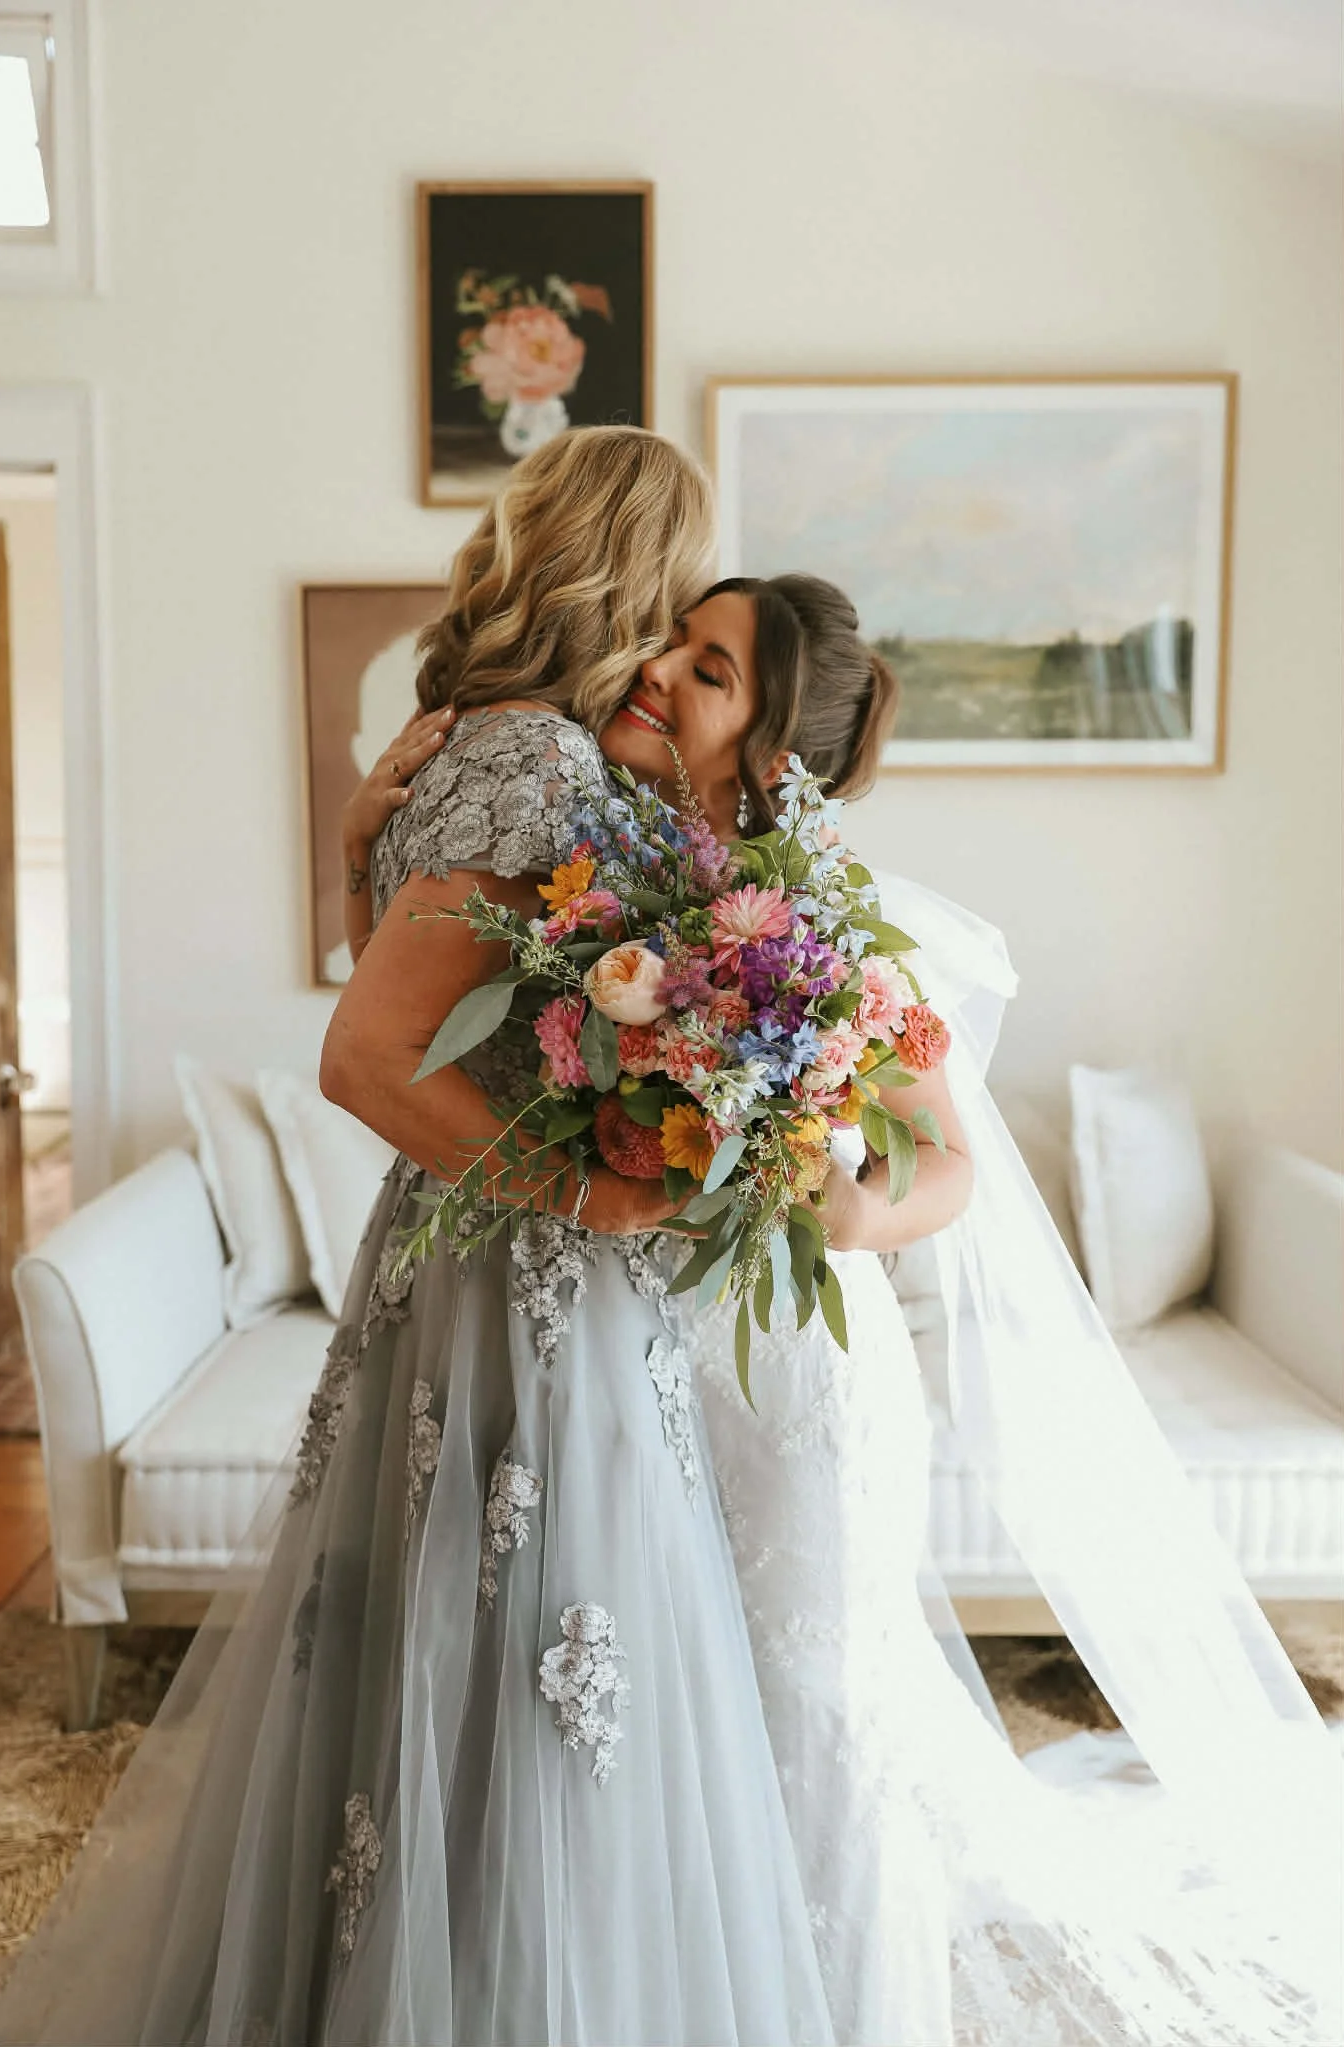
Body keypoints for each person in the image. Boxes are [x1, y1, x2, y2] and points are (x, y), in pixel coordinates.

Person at [346, 567, 1341, 2046]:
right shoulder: (586, 889)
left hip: (795, 1383)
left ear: (766, 753)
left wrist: (860, 1209)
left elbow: (945, 1162)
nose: (662, 672)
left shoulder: (826, 926)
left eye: (711, 668)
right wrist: (375, 825)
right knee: (658, 1731)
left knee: (808, 1719)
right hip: (633, 1367)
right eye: (675, 642)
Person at [0, 428, 855, 2047]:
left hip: (452, 1259)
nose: (675, 647)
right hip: (522, 1281)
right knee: (544, 1659)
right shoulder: (542, 770)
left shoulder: (459, 742)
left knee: (457, 1656)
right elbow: (367, 1057)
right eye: (677, 602)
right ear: (633, 574)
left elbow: (395, 972)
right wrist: (596, 1196)